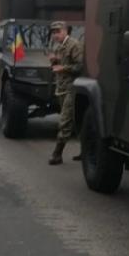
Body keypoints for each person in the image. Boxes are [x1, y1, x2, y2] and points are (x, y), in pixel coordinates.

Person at [48, 21, 83, 165]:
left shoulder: (74, 45)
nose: (55, 35)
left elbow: (80, 66)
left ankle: (57, 154)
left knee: (65, 121)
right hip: (61, 88)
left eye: (58, 31)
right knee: (75, 121)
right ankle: (85, 151)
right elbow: (56, 66)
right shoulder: (58, 47)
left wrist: (63, 68)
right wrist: (54, 61)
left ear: (65, 31)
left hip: (72, 88)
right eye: (53, 32)